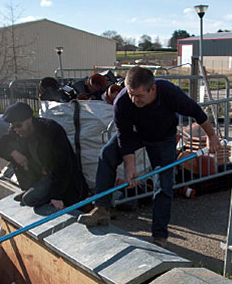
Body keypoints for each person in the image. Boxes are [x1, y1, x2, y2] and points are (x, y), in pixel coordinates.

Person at [77, 66, 220, 247]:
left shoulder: (169, 92)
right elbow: (124, 136)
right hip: (136, 133)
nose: (134, 100)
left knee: (163, 181)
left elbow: (197, 113)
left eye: (139, 96)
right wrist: (131, 167)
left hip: (163, 138)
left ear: (152, 89)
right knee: (107, 154)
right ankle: (102, 208)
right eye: (131, 94)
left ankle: (159, 235)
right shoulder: (122, 101)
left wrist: (212, 136)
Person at [0, 101, 88, 210]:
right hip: (41, 177)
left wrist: (57, 196)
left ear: (29, 119)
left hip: (61, 180)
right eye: (13, 127)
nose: (16, 130)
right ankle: (33, 190)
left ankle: (42, 195)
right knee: (12, 153)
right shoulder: (17, 133)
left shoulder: (51, 130)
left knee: (29, 199)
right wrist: (13, 153)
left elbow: (64, 165)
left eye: (19, 125)